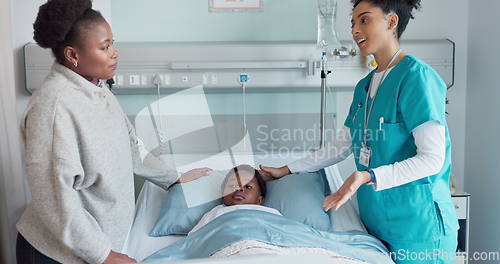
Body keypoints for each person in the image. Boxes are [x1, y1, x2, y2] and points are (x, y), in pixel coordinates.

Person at [260, 0, 459, 263]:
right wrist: (287, 169)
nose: (354, 30)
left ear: (391, 22)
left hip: (418, 227)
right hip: (376, 226)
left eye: (364, 20)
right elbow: (341, 146)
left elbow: (432, 159)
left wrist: (367, 176)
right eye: (352, 23)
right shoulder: (365, 85)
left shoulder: (416, 78)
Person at [16, 0, 210, 263]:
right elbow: (56, 204)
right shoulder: (53, 109)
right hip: (59, 254)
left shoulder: (98, 89)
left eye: (112, 44)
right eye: (104, 47)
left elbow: (130, 145)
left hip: (96, 245)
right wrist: (105, 255)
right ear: (73, 55)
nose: (114, 53)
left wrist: (173, 178)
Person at [188, 165, 281, 235]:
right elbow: (194, 239)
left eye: (248, 186)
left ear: (259, 200)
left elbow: (286, 233)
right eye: (233, 186)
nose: (239, 189)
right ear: (223, 196)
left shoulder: (270, 213)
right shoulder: (215, 213)